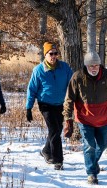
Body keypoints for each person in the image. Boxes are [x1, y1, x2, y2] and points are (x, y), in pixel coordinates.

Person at [63, 51, 107, 184]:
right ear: (86, 65)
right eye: (91, 65)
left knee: (104, 144)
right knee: (89, 145)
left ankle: (93, 161)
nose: (94, 68)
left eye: (96, 65)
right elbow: (69, 99)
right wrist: (68, 119)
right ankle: (91, 173)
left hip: (103, 119)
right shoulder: (77, 77)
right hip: (84, 119)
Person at [26, 42, 73, 170]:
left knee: (56, 130)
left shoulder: (64, 68)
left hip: (60, 104)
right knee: (54, 131)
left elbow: (73, 83)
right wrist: (28, 108)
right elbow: (32, 89)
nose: (53, 56)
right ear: (45, 55)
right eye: (50, 54)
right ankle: (58, 161)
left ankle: (46, 151)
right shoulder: (38, 70)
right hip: (45, 104)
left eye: (55, 53)